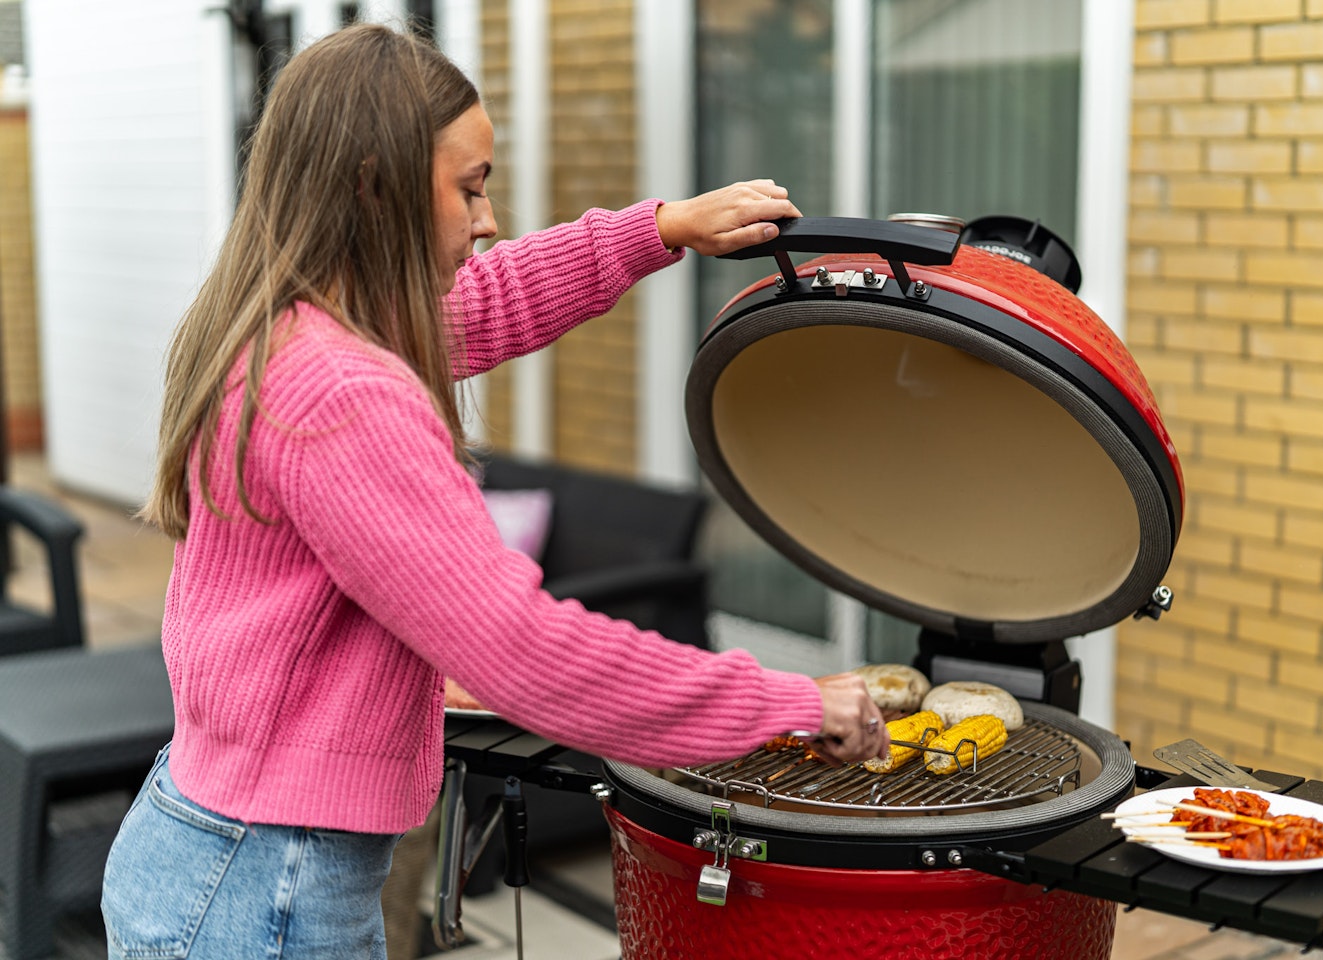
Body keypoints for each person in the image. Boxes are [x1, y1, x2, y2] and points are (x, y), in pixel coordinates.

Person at [100, 21, 888, 959]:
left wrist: (660, 229)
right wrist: (785, 704)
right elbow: (528, 655)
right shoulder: (345, 393)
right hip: (266, 890)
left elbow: (491, 295)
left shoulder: (283, 326)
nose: (489, 218)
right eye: (469, 188)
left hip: (216, 847)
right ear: (373, 185)